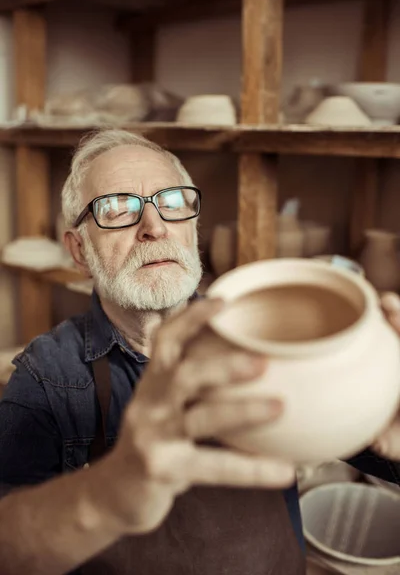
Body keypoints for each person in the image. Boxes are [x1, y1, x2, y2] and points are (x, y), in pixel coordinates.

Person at [0, 129, 398, 575]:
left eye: (171, 202)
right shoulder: (46, 377)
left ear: (192, 225)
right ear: (79, 250)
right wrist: (105, 494)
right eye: (116, 208)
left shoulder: (270, 340)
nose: (153, 228)